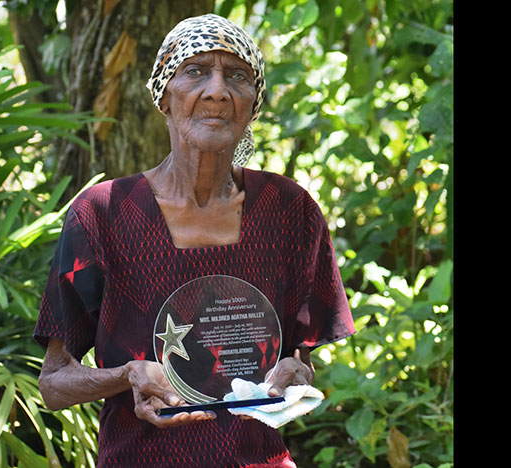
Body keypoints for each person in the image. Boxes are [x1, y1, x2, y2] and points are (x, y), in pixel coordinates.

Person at [34, 13, 355, 468]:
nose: (218, 90)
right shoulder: (102, 215)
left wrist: (297, 372)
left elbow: (300, 360)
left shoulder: (289, 210)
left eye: (238, 76)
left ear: (253, 102)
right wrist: (128, 375)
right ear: (165, 94)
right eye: (196, 70)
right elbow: (54, 384)